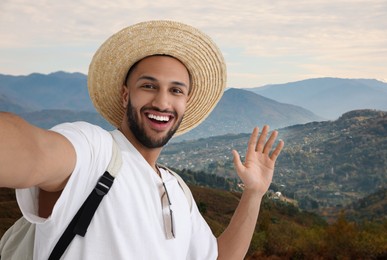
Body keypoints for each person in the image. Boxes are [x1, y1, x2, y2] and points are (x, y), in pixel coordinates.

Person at [0, 20, 284, 259]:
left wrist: (254, 193)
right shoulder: (95, 150)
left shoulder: (177, 190)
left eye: (176, 91)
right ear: (126, 94)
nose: (162, 102)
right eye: (148, 86)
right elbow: (32, 152)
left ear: (186, 102)